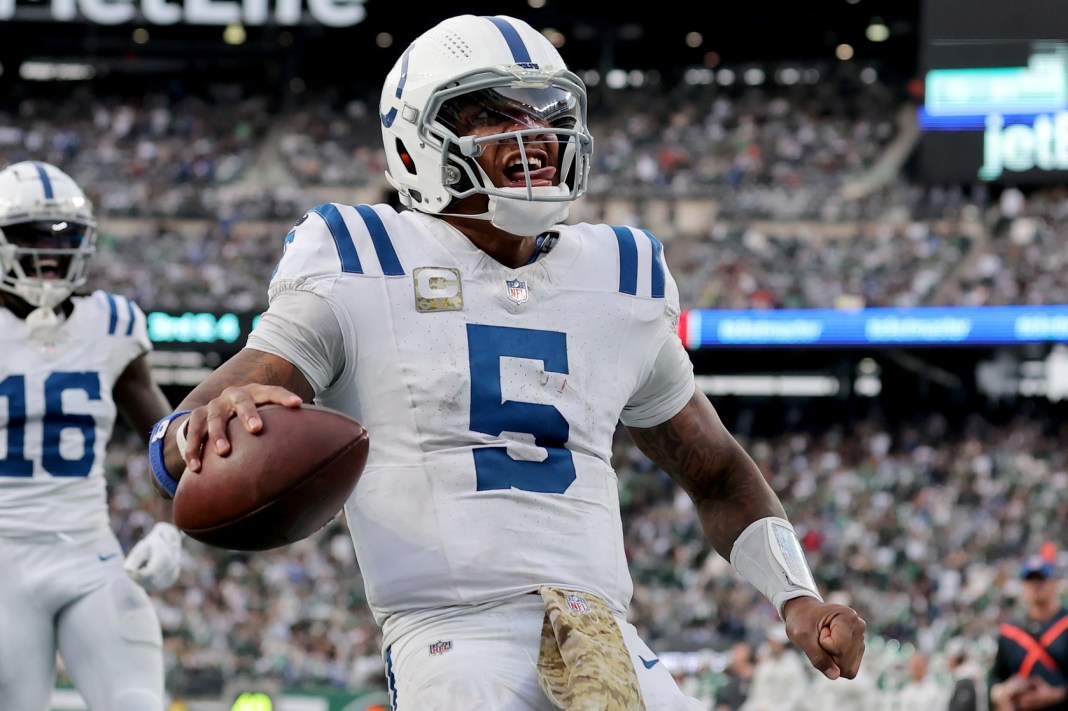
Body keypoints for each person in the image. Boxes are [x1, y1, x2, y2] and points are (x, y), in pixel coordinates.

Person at [150, 14, 865, 709]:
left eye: (548, 111)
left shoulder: (620, 273)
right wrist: (199, 432)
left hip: (604, 633)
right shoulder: (360, 258)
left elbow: (715, 469)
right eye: (495, 115)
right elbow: (171, 441)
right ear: (415, 145)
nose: (536, 134)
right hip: (453, 639)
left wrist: (796, 594)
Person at [0, 160, 181, 710]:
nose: (49, 250)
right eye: (30, 235)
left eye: (64, 235)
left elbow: (165, 434)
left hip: (89, 555)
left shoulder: (111, 322)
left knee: (137, 701)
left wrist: (172, 527)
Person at [989, 554, 1068, 711]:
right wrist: (1003, 693)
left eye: (1042, 579)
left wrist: (1059, 694)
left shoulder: (1064, 625)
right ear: (1023, 586)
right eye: (1030, 580)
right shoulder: (1009, 632)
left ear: (1054, 583)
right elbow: (996, 678)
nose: (1036, 585)